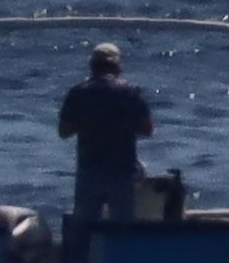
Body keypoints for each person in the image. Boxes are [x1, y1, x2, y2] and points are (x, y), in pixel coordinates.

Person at [57, 41, 155, 224]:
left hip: (89, 172)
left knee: (84, 231)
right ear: (117, 66)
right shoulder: (131, 92)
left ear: (92, 66)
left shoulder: (77, 93)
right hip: (121, 173)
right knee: (123, 231)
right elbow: (147, 129)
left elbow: (63, 132)